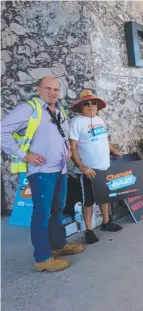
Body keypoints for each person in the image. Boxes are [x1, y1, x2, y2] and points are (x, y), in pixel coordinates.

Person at [1, 76, 84, 272]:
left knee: (57, 211)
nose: (53, 92)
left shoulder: (58, 109)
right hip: (41, 173)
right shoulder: (29, 109)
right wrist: (25, 155)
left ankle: (58, 245)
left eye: (56, 89)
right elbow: (2, 130)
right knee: (42, 215)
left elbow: (60, 135)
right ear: (38, 89)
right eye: (48, 88)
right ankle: (43, 258)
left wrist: (68, 150)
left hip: (60, 170)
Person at [69, 89, 124, 244]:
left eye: (93, 103)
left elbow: (104, 139)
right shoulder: (77, 121)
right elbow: (72, 147)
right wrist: (82, 167)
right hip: (89, 170)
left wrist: (114, 151)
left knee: (103, 196)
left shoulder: (99, 120)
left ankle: (106, 222)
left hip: (104, 166)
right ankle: (89, 230)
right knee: (88, 200)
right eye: (87, 103)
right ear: (81, 107)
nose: (91, 106)